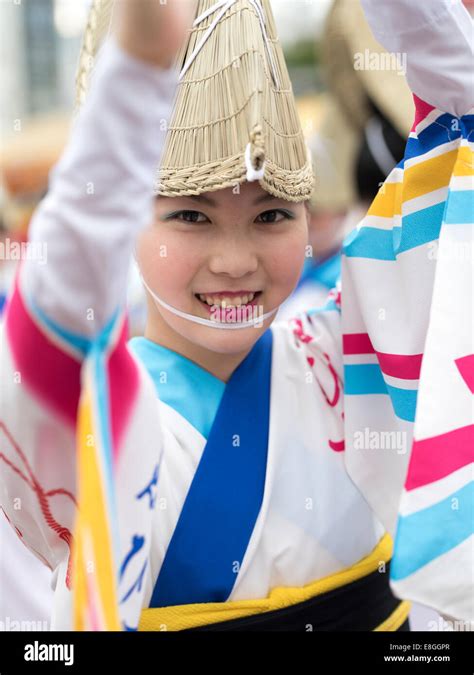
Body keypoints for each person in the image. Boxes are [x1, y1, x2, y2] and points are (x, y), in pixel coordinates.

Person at [0, 0, 472, 632]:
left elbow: (459, 135)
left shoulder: (349, 356)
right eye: (190, 216)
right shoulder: (100, 421)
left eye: (271, 215)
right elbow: (50, 321)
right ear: (124, 223)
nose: (234, 260)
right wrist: (135, 78)